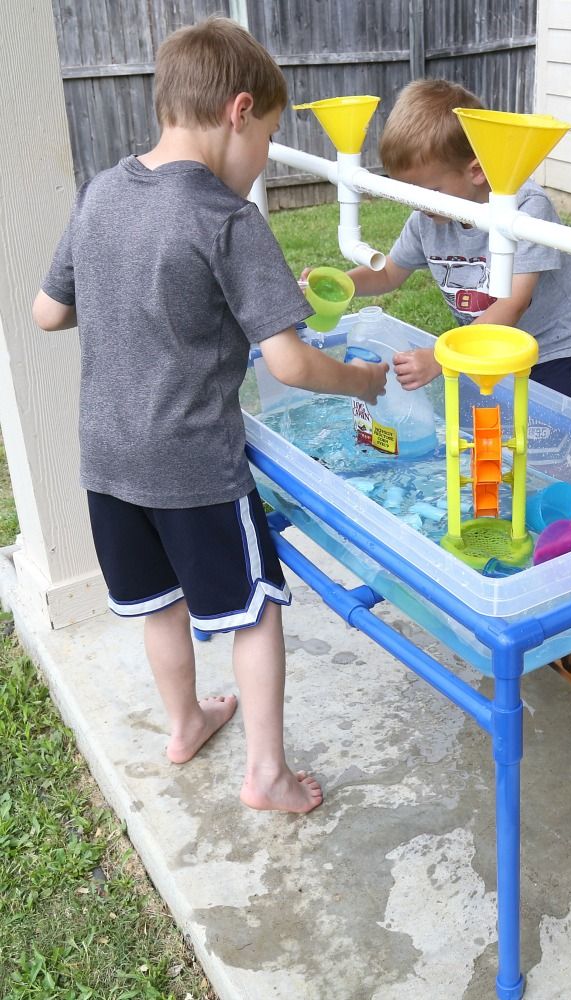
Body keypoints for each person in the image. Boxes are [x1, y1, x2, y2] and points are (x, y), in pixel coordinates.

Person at [31, 17, 387, 813]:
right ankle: (266, 773)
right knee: (253, 610)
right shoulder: (227, 219)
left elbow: (47, 313)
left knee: (160, 603)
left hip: (108, 457)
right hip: (193, 463)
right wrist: (362, 381)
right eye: (265, 137)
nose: (261, 157)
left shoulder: (100, 194)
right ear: (237, 110)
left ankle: (185, 722)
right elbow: (291, 360)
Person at [313, 78, 571, 402]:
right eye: (409, 193)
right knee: (490, 429)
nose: (418, 205)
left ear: (476, 171)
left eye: (430, 192)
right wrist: (340, 285)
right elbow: (389, 272)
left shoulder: (526, 209)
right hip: (480, 345)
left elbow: (513, 302)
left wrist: (440, 356)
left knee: (544, 438)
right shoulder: (429, 217)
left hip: (550, 348)